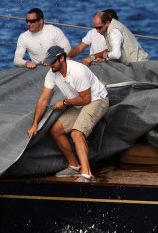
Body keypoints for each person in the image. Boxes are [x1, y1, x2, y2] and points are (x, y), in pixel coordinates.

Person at [27, 46, 109, 182]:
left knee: (77, 133)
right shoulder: (52, 73)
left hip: (97, 100)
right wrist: (34, 124)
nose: (50, 65)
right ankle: (74, 166)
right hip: (79, 103)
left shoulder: (77, 71)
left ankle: (87, 176)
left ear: (62, 58)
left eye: (52, 61)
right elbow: (44, 99)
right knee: (55, 129)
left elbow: (86, 99)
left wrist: (64, 103)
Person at [83, 12, 149, 66]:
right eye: (95, 28)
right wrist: (102, 59)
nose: (97, 31)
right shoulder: (108, 29)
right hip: (132, 65)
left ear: (107, 23)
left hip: (139, 65)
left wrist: (106, 55)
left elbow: (116, 55)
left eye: (99, 27)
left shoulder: (114, 31)